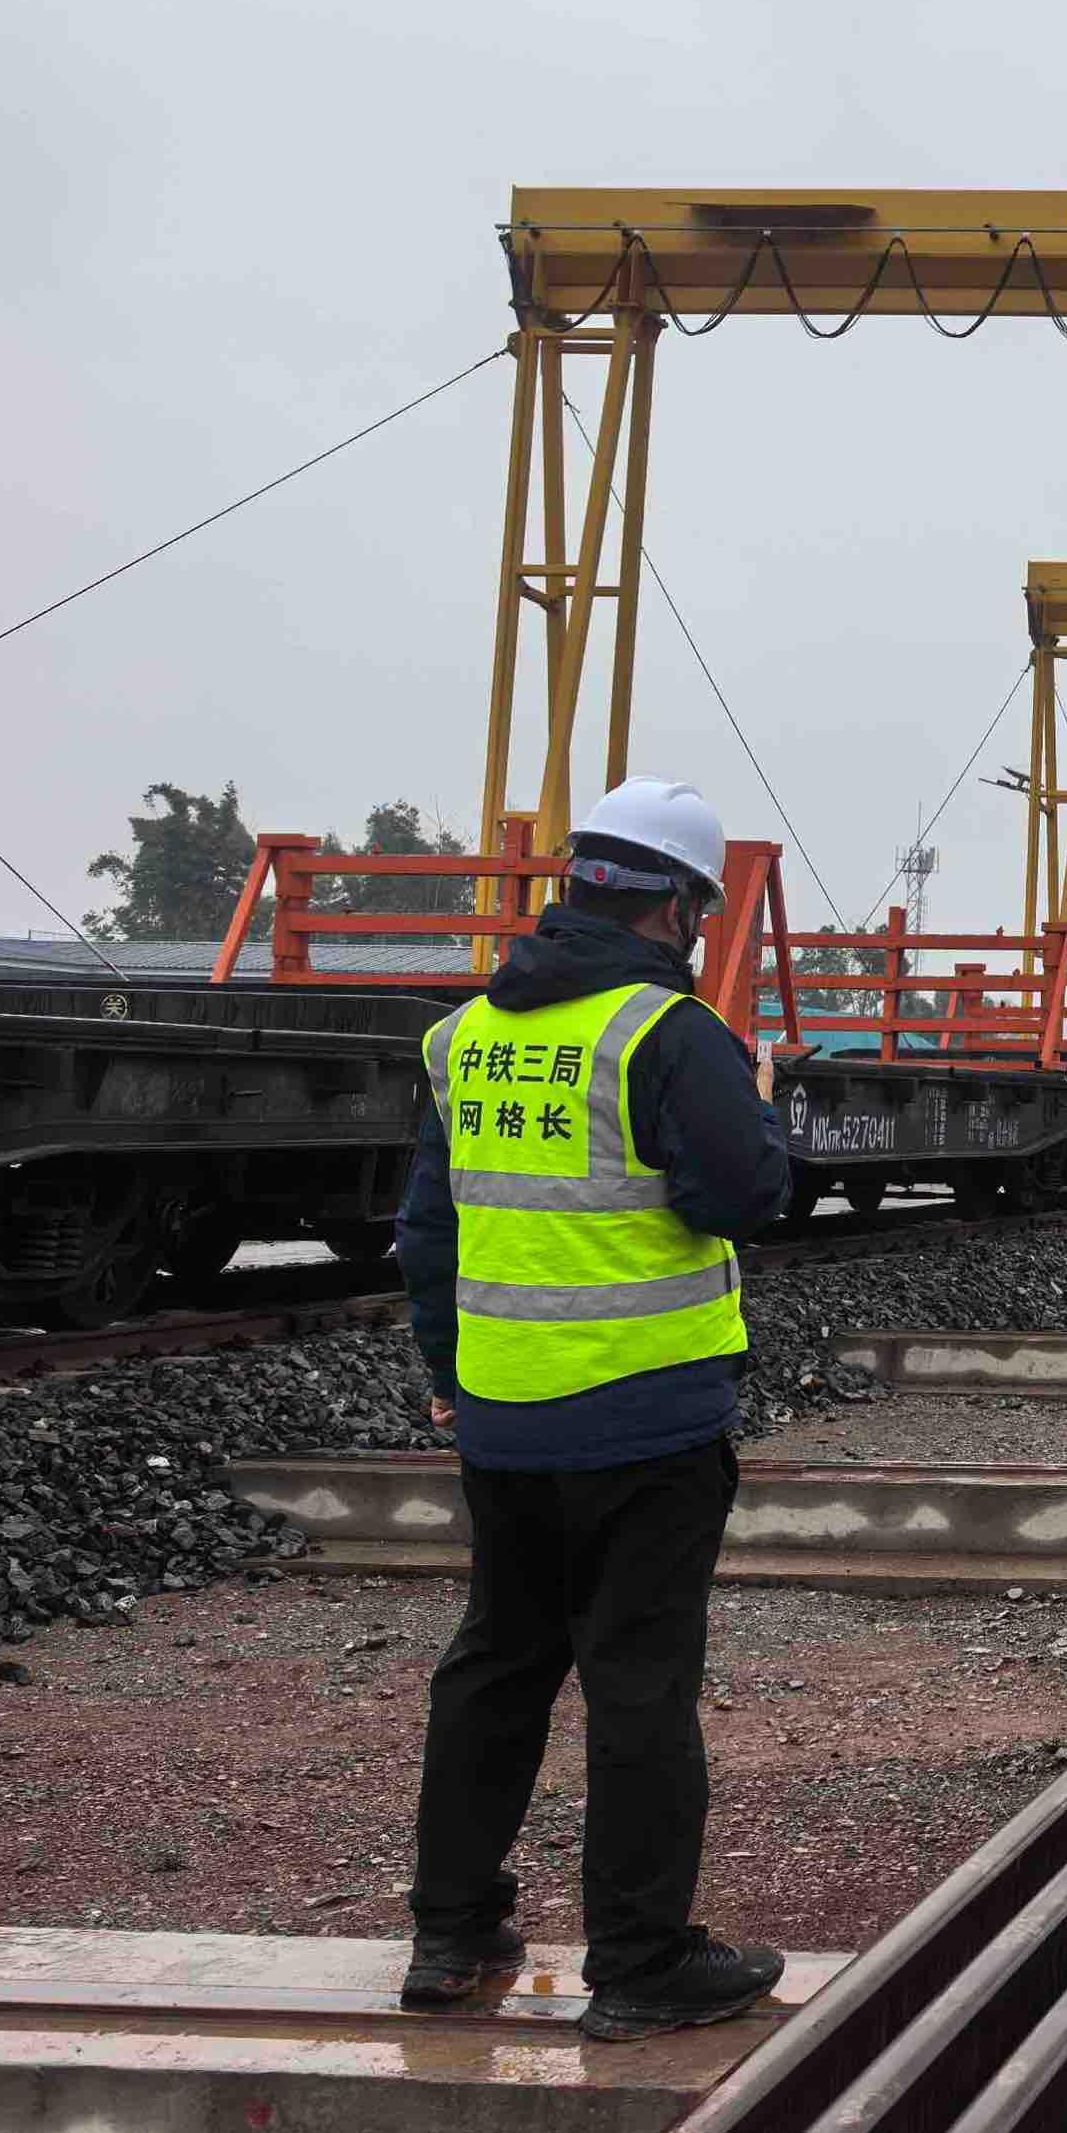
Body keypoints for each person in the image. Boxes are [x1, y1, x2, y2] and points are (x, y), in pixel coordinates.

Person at [395, 777, 793, 2041]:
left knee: (497, 1665)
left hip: (504, 1418)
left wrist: (452, 1375)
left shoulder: (465, 1037)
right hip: (647, 1425)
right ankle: (640, 1964)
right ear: (676, 908)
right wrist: (759, 1104)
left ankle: (450, 1934)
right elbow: (742, 1197)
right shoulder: (668, 1032)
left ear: (578, 889)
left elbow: (427, 1233)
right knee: (638, 1688)